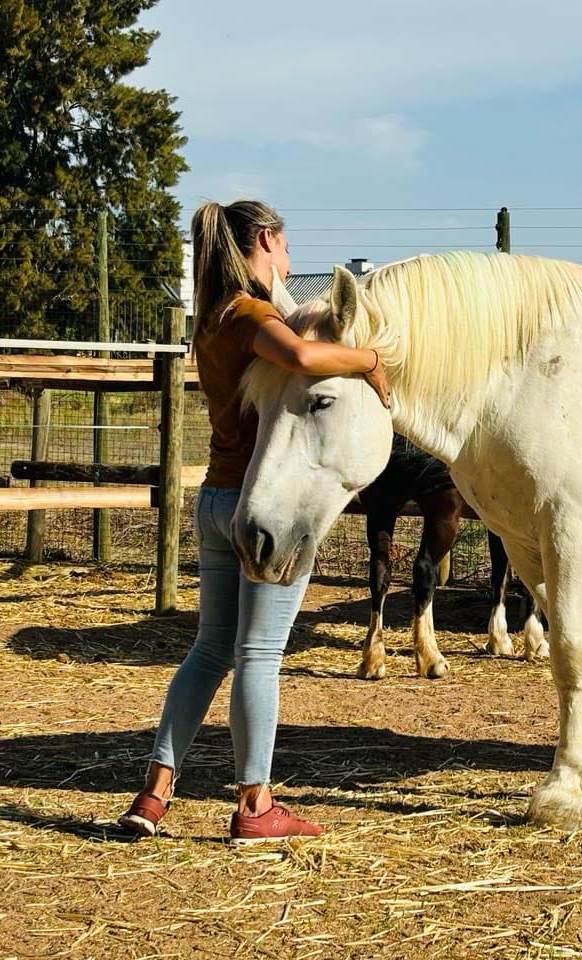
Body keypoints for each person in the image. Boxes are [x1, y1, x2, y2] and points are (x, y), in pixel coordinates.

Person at [118, 200, 390, 843]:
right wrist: (371, 362)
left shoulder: (210, 318)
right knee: (259, 654)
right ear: (266, 240)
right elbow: (301, 357)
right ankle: (255, 805)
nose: (290, 261)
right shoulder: (251, 315)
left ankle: (154, 792)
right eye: (286, 248)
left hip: (213, 500)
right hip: (261, 504)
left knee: (210, 649)